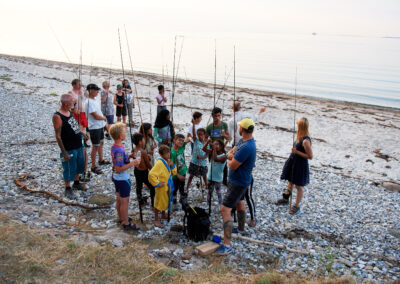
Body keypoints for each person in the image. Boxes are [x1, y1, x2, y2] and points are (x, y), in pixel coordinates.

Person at [216, 118, 257, 255]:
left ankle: (227, 245)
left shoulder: (246, 147)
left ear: (242, 129)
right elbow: (231, 152)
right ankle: (240, 229)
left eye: (240, 126)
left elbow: (232, 164)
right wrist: (231, 155)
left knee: (225, 209)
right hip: (241, 180)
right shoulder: (243, 141)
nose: (238, 128)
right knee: (240, 203)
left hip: (238, 182)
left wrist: (230, 156)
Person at [275, 117, 313, 215]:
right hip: (293, 162)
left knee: (299, 186)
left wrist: (297, 152)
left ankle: (296, 205)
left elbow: (310, 156)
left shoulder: (305, 141)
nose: (296, 124)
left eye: (298, 124)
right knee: (290, 181)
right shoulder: (299, 137)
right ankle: (286, 198)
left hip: (300, 165)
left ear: (301, 126)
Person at [52, 94, 86, 199]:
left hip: (78, 144)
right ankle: (67, 188)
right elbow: (58, 136)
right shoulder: (57, 116)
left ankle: (76, 182)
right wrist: (64, 152)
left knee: (79, 164)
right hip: (68, 147)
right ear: (66, 103)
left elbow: (74, 126)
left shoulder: (69, 112)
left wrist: (82, 133)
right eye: (72, 101)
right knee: (68, 168)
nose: (74, 103)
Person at [110, 122, 141, 231]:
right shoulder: (119, 150)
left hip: (117, 179)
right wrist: (133, 163)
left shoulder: (116, 146)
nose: (126, 132)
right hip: (122, 179)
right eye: (124, 131)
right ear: (120, 136)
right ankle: (126, 223)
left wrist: (129, 156)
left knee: (119, 199)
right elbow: (118, 169)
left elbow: (120, 162)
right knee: (124, 201)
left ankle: (121, 217)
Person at [148, 145, 177, 227]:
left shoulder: (168, 161)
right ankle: (156, 219)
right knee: (158, 203)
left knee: (166, 201)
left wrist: (172, 166)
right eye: (166, 153)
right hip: (161, 187)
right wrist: (157, 183)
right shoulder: (159, 163)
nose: (168, 155)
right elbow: (151, 174)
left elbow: (174, 173)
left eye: (169, 153)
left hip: (168, 186)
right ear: (161, 154)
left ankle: (163, 215)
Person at [86, 84, 110, 174]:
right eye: (96, 90)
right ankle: (93, 166)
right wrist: (104, 118)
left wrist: (104, 124)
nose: (97, 91)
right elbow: (95, 116)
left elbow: (98, 112)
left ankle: (100, 160)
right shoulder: (89, 102)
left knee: (101, 143)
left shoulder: (94, 100)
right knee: (95, 146)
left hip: (100, 126)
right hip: (94, 127)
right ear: (91, 90)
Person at [206, 107, 230, 185]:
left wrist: (224, 135)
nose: (217, 118)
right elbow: (205, 139)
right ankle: (212, 180)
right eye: (215, 116)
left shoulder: (224, 125)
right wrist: (210, 144)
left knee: (225, 166)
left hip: (222, 149)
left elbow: (228, 137)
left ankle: (224, 181)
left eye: (219, 116)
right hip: (213, 149)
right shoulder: (209, 127)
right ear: (212, 116)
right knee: (212, 164)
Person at [132, 133, 155, 208]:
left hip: (136, 170)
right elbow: (148, 164)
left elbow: (135, 158)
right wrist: (154, 171)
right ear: (140, 142)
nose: (144, 140)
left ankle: (140, 201)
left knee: (139, 186)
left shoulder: (134, 149)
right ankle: (153, 203)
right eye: (143, 139)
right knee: (152, 187)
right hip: (144, 172)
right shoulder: (143, 152)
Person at [202, 139, 227, 206]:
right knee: (209, 192)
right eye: (214, 144)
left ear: (221, 146)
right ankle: (208, 204)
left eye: (217, 144)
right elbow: (203, 149)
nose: (215, 146)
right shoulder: (213, 151)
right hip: (210, 176)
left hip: (218, 178)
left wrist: (214, 149)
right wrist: (207, 142)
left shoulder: (224, 156)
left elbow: (216, 159)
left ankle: (221, 205)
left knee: (218, 192)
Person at [185, 126, 208, 192]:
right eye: (198, 134)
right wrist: (194, 124)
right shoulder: (196, 140)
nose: (199, 136)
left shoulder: (207, 143)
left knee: (204, 175)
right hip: (194, 162)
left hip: (203, 163)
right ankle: (187, 187)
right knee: (191, 175)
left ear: (204, 135)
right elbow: (194, 135)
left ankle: (206, 186)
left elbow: (207, 155)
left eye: (201, 134)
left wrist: (201, 157)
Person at [171, 134, 190, 205]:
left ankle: (182, 199)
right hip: (176, 175)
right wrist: (178, 175)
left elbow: (188, 139)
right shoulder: (172, 152)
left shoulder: (182, 147)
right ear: (174, 140)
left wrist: (190, 136)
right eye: (179, 140)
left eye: (182, 141)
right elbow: (171, 166)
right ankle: (174, 201)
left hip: (183, 171)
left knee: (182, 187)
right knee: (175, 189)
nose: (181, 142)